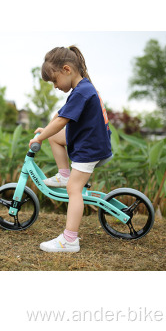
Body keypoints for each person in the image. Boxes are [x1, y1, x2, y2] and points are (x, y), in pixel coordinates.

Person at [29, 45, 112, 253]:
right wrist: (46, 131)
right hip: (89, 141)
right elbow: (59, 115)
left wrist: (41, 135)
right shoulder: (82, 88)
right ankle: (64, 174)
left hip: (90, 147)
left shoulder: (83, 91)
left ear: (67, 69)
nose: (55, 86)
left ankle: (70, 240)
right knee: (54, 139)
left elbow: (61, 121)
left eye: (55, 80)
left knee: (74, 190)